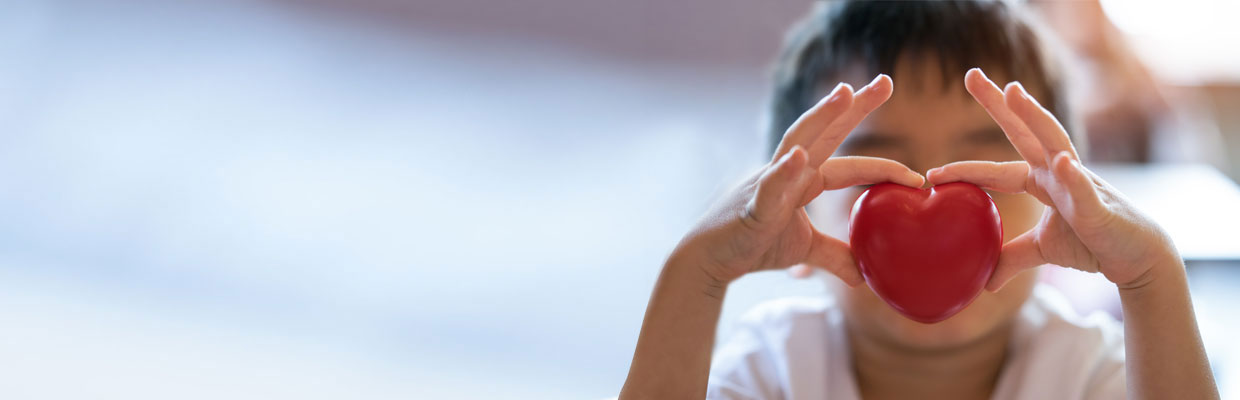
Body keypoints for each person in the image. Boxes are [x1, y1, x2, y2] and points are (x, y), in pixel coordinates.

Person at [618, 1, 1219, 399]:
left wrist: (1150, 280)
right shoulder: (775, 370)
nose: (932, 194)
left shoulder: (1089, 372)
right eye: (877, 172)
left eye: (987, 173)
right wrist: (695, 274)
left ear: (1059, 202)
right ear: (796, 211)